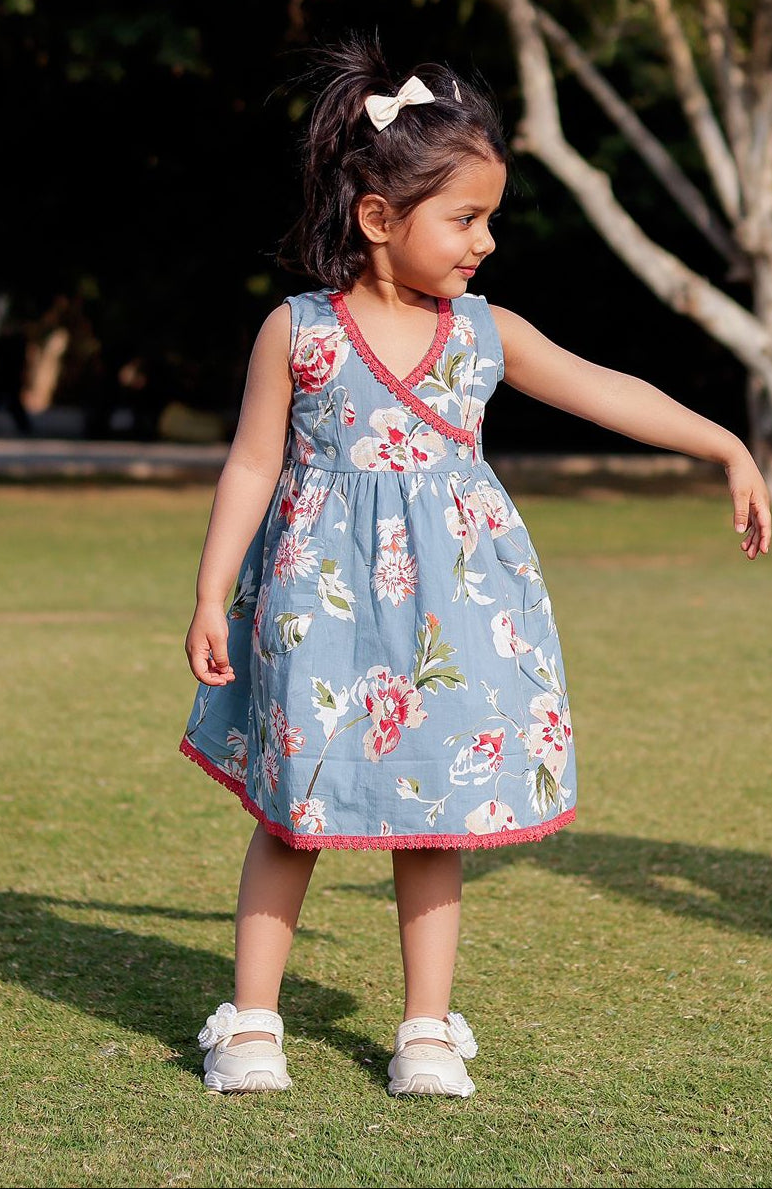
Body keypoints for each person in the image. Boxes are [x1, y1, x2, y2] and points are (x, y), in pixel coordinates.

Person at [179, 34, 770, 1098]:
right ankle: (251, 1020)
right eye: (465, 218)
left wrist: (723, 443)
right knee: (290, 813)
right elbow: (252, 462)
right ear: (375, 219)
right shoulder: (299, 332)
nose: (485, 241)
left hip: (452, 619)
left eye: (488, 217)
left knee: (433, 814)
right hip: (319, 612)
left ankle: (425, 1029)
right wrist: (211, 590)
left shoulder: (484, 335)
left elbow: (606, 387)